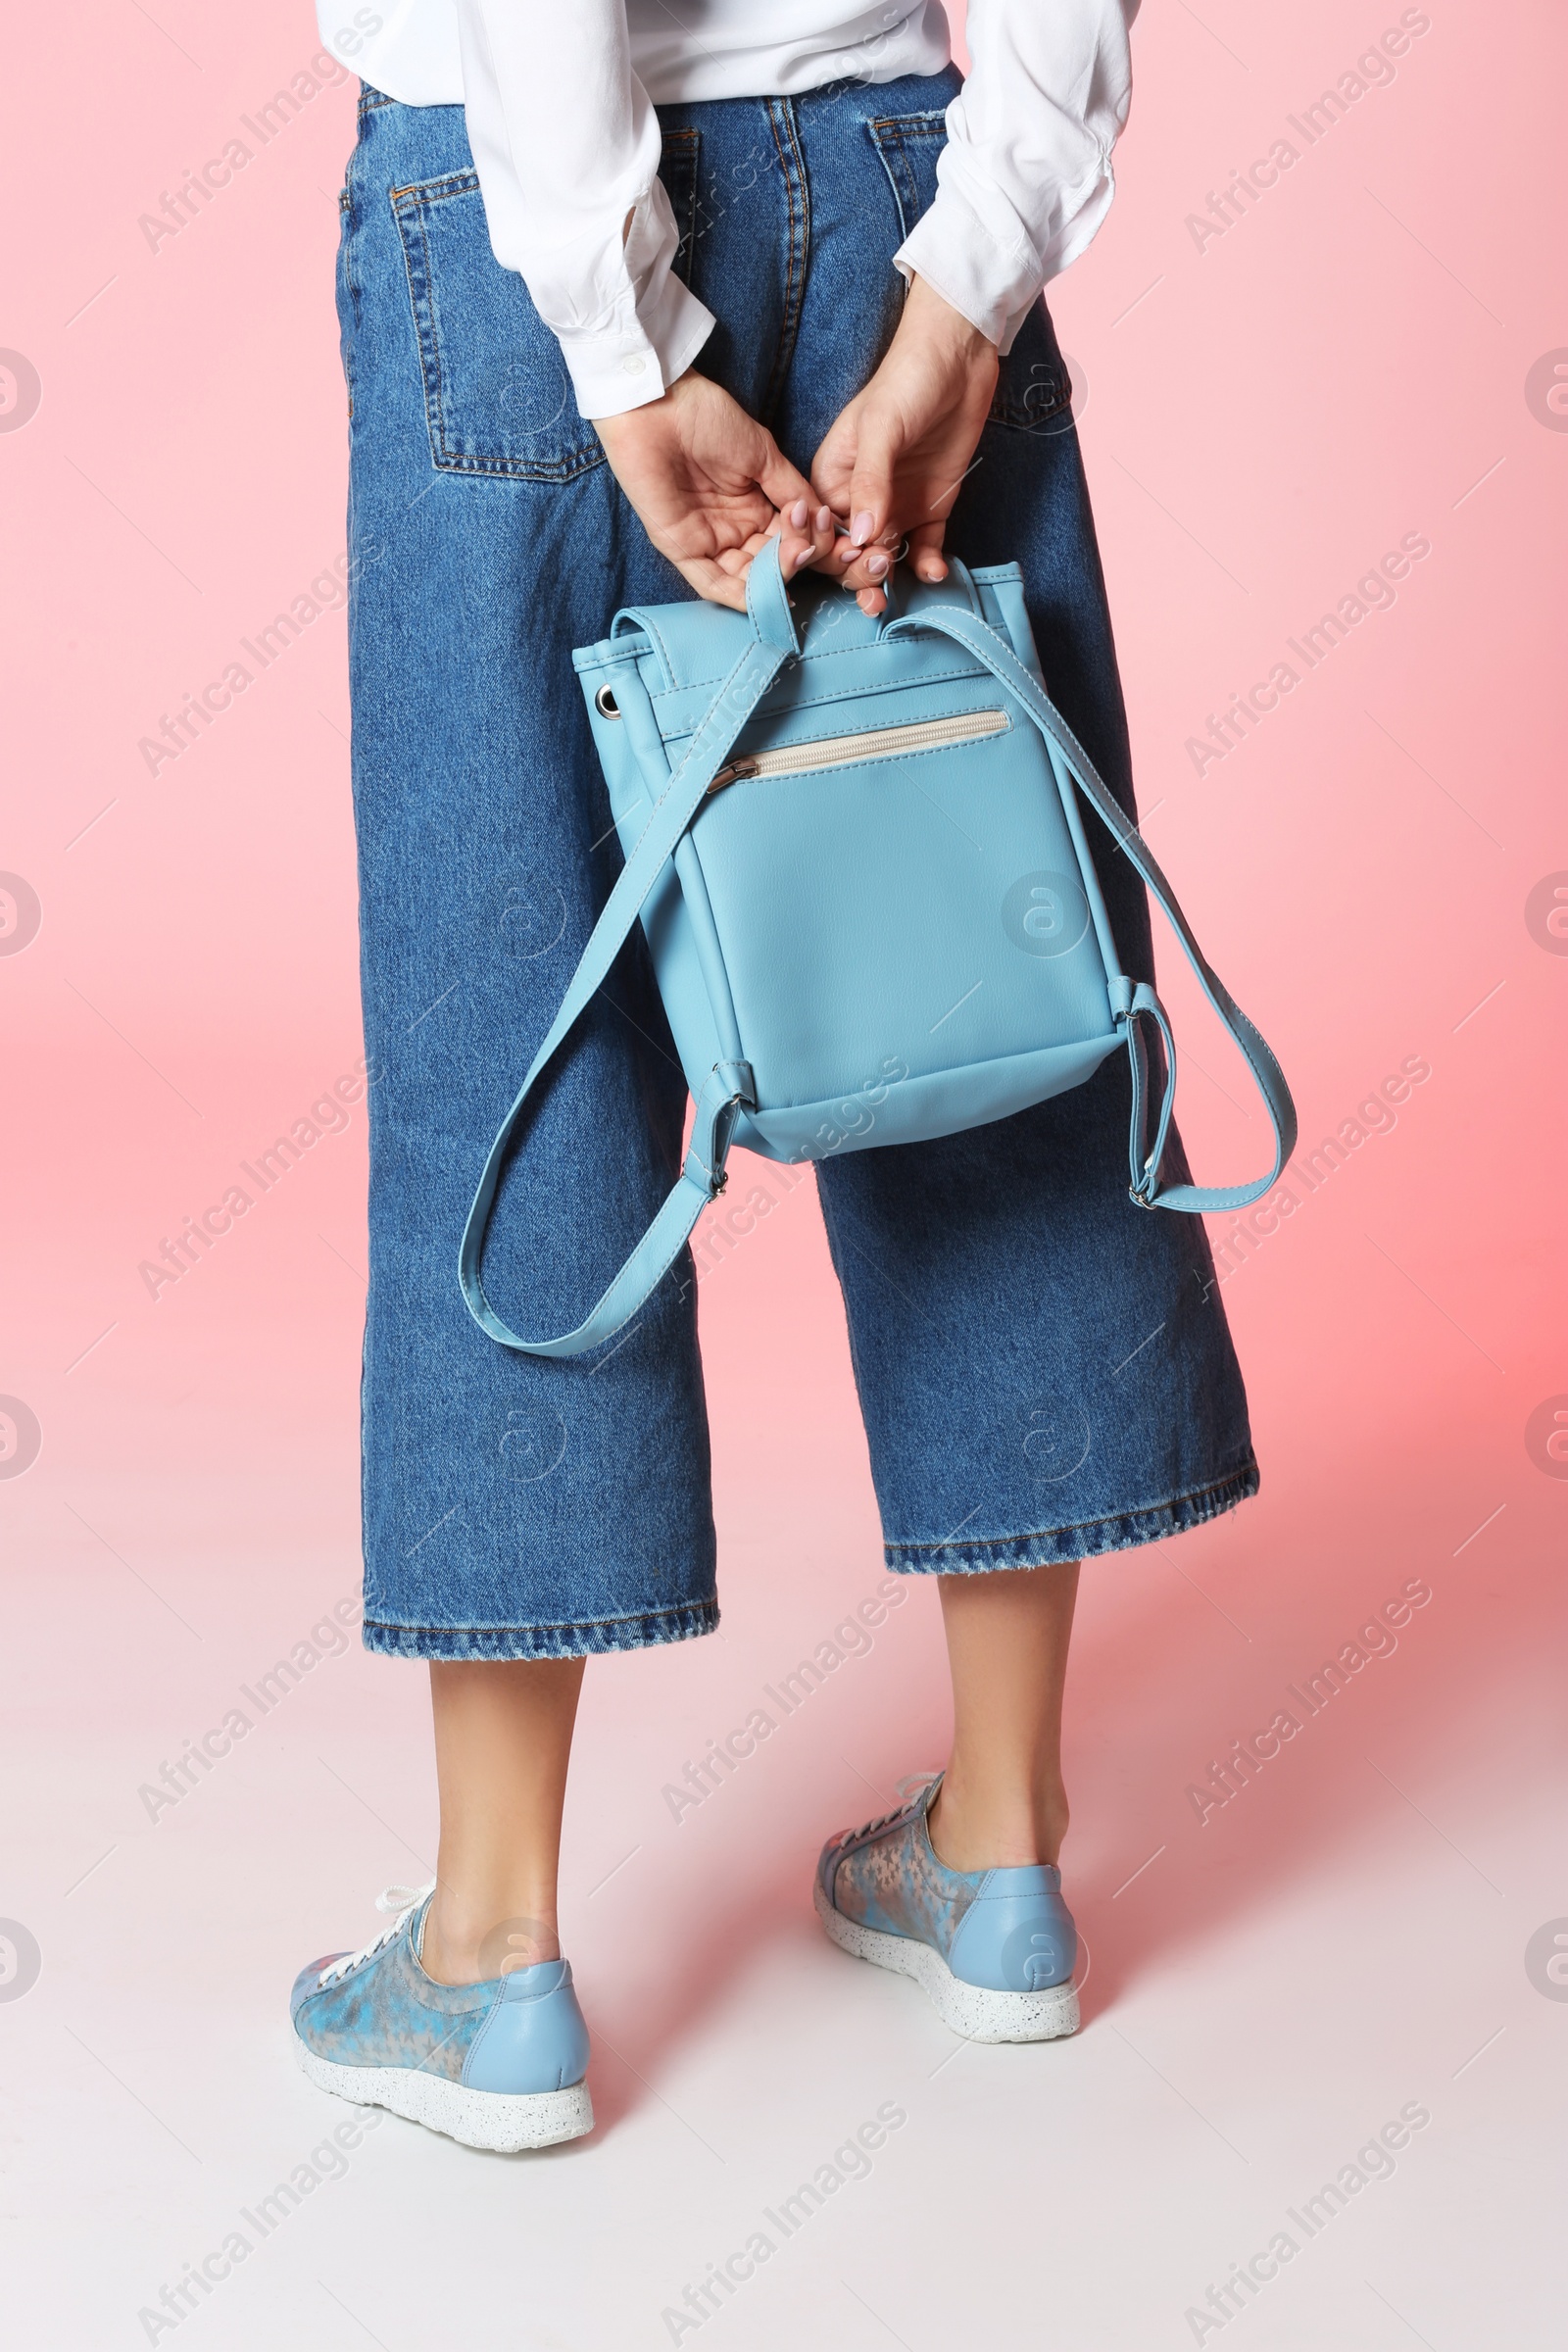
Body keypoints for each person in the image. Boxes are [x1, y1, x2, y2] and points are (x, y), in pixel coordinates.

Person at [289, 0, 1257, 2153]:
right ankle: (999, 1854)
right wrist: (975, 271)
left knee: (506, 1034)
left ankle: (491, 1955)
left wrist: (618, 329)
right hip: (899, 167)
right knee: (968, 964)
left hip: (517, 212)